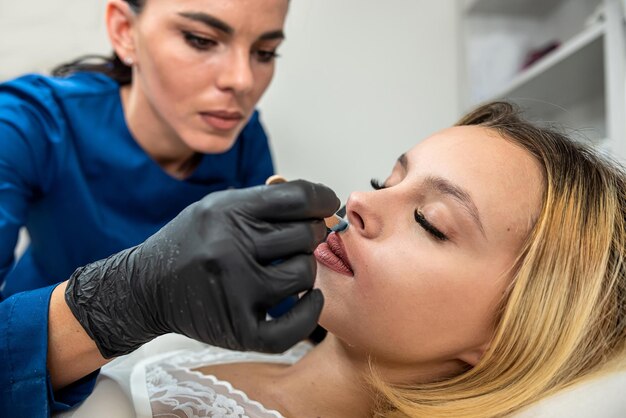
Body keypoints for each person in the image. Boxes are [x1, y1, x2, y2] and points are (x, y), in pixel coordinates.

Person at [103, 101, 624, 418]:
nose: (359, 200)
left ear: (513, 332)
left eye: (431, 222)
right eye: (385, 182)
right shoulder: (208, 343)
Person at [0, 0, 342, 416]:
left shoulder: (243, 139)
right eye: (201, 40)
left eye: (264, 53)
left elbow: (269, 296)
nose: (242, 80)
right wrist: (121, 301)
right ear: (125, 30)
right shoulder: (25, 123)